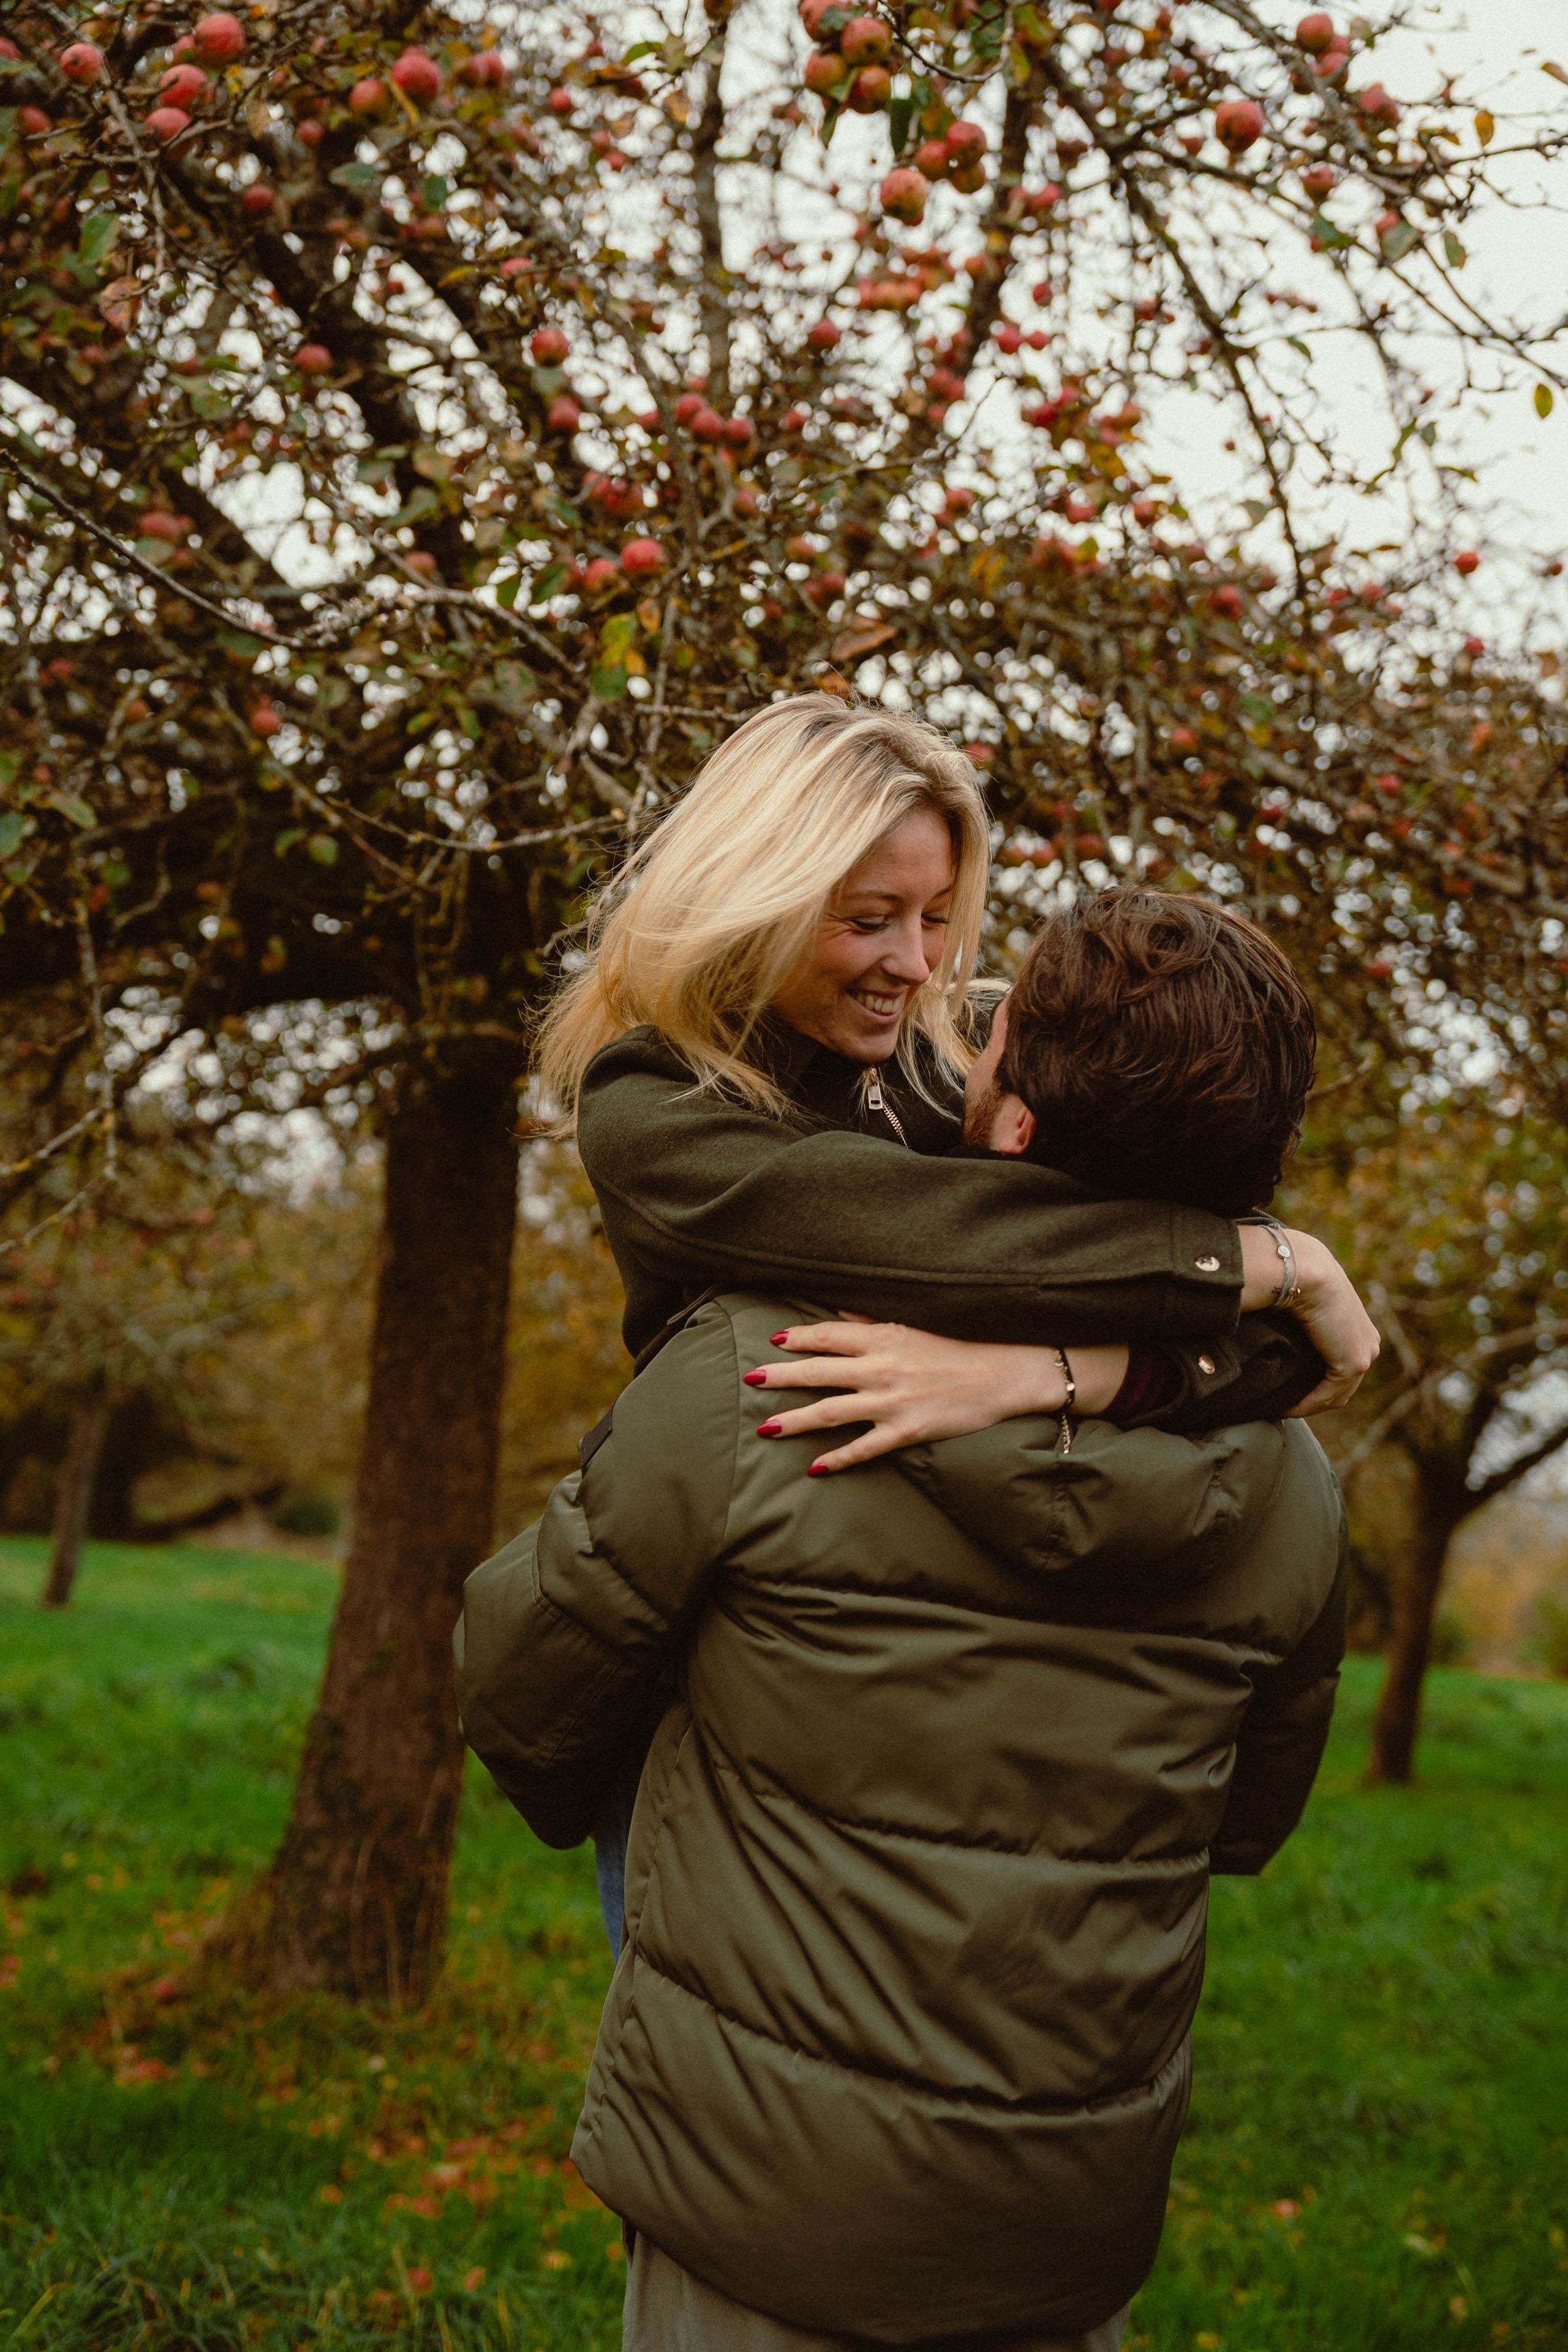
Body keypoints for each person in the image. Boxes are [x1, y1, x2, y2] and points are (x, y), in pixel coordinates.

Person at [454, 888, 1348, 2352]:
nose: (953, 1024)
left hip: (754, 2207)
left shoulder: (762, 1376)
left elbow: (520, 1704)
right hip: (1058, 2232)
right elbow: (1244, 1826)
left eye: (987, 1035)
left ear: (1004, 1133)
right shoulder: (1288, 1474)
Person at [533, 693, 1376, 1936]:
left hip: (960, 1695)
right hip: (737, 1679)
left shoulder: (941, 1060)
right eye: (868, 920)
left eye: (937, 917)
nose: (919, 965)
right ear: (749, 898)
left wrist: (1047, 1377)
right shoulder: (659, 1111)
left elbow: (1249, 1357)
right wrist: (1269, 1262)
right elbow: (944, 1241)